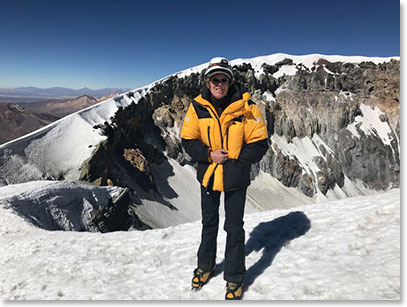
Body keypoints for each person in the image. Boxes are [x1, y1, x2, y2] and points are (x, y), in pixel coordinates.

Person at [180, 57, 269, 300]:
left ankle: (235, 278)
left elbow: (260, 142)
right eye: (214, 79)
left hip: (235, 178)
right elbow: (188, 140)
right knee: (209, 224)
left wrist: (237, 163)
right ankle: (205, 266)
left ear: (230, 82)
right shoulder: (197, 107)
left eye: (224, 79)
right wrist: (209, 155)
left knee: (234, 227)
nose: (219, 83)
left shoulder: (247, 107)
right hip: (209, 176)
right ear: (208, 82)